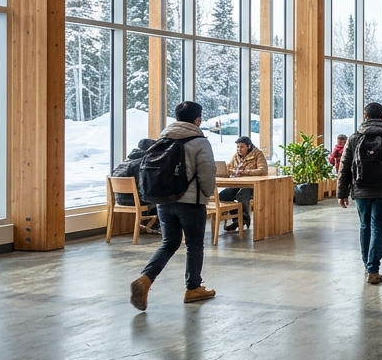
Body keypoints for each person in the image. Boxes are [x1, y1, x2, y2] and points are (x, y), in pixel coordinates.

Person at [129, 101, 217, 310]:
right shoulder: (199, 141)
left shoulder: (163, 138)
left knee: (169, 243)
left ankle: (145, 279)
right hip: (191, 202)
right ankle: (193, 287)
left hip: (163, 200)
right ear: (198, 120)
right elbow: (207, 173)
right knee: (195, 245)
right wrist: (206, 194)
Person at [338, 102, 382, 285]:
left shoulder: (354, 138)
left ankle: (367, 266)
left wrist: (342, 192)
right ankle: (373, 269)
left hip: (361, 189)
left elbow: (344, 166)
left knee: (365, 226)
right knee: (378, 227)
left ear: (365, 116)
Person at [219, 136, 268, 232]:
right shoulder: (235, 156)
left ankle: (244, 218)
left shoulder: (258, 154)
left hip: (253, 185)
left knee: (241, 195)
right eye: (237, 147)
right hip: (237, 183)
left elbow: (263, 170)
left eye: (241, 147)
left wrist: (244, 172)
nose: (239, 149)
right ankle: (237, 219)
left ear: (249, 146)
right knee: (224, 195)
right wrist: (235, 171)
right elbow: (228, 168)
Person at [110, 138, 156, 207]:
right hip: (134, 200)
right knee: (160, 201)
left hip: (119, 199)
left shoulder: (125, 162)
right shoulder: (143, 163)